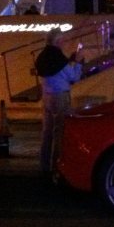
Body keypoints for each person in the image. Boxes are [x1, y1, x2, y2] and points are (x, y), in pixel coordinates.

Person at [35, 29, 84, 175]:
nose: (64, 42)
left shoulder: (42, 56)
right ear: (57, 41)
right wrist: (79, 63)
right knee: (59, 132)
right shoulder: (59, 58)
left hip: (47, 95)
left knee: (47, 132)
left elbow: (56, 70)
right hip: (60, 97)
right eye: (62, 40)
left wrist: (71, 61)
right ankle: (57, 166)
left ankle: (44, 165)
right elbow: (74, 77)